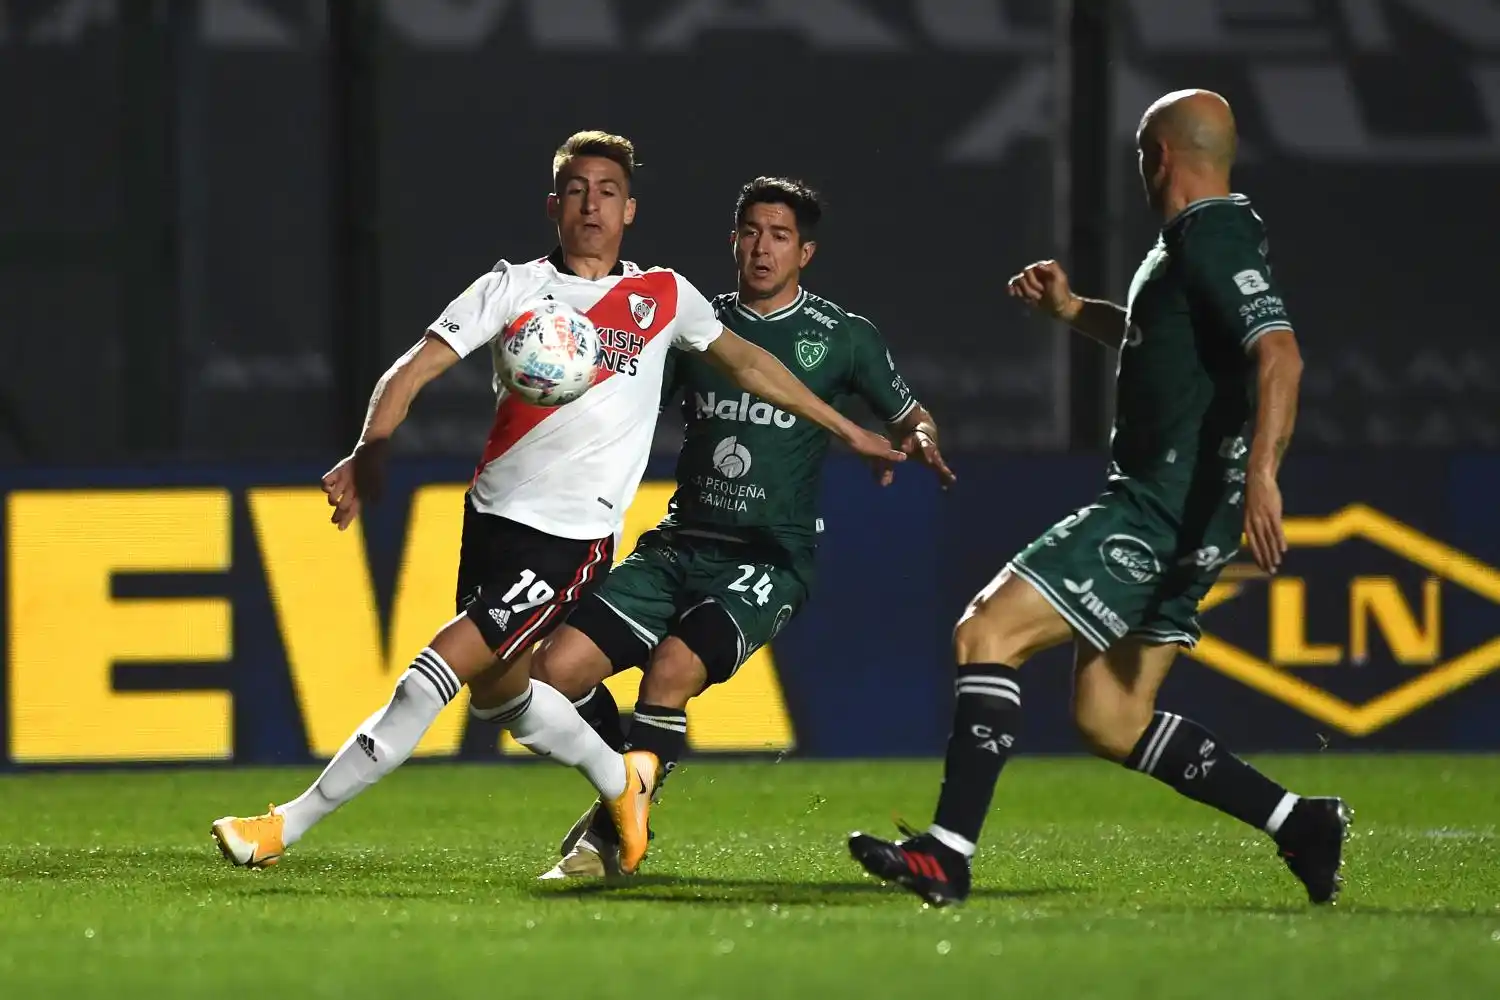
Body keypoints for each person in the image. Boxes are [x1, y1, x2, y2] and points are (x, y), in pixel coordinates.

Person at [209, 133, 902, 876]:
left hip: (567, 543)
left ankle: (283, 826)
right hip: (491, 525)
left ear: (629, 210)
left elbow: (753, 364)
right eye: (576, 189)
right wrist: (370, 448)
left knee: (430, 674)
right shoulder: (510, 289)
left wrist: (849, 430)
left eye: (607, 190)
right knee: (505, 700)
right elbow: (412, 371)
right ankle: (621, 784)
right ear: (554, 205)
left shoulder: (662, 298)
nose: (592, 204)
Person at [848, 90, 1351, 906]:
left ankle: (947, 851)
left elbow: (1281, 356)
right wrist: (1075, 312)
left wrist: (1264, 474)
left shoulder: (1214, 234)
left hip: (1158, 508)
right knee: (1112, 716)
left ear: (1158, 156)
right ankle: (1301, 821)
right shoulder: (1196, 243)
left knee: (987, 632)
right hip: (1191, 518)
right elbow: (1163, 345)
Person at [473, 176, 954, 879]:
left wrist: (920, 436)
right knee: (553, 671)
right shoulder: (694, 325)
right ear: (732, 240)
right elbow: (623, 399)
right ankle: (624, 792)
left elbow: (909, 414)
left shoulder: (843, 339)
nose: (762, 247)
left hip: (768, 556)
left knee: (671, 669)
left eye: (780, 235)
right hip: (679, 544)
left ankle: (609, 837)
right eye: (751, 231)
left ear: (806, 252)